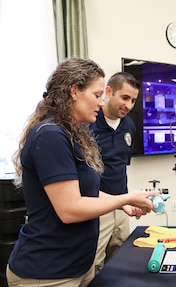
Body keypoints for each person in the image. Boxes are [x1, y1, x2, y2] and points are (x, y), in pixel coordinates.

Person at [6, 58, 157, 287]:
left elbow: (88, 191)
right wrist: (126, 198)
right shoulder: (50, 136)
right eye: (97, 95)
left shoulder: (73, 135)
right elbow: (70, 209)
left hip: (76, 265)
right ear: (74, 91)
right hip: (48, 272)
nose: (100, 102)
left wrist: (121, 203)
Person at [89, 71, 140, 275]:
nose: (128, 105)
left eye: (133, 100)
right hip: (96, 205)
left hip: (122, 203)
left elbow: (121, 165)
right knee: (94, 262)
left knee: (120, 256)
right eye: (125, 97)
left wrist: (125, 201)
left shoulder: (129, 126)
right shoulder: (89, 123)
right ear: (108, 92)